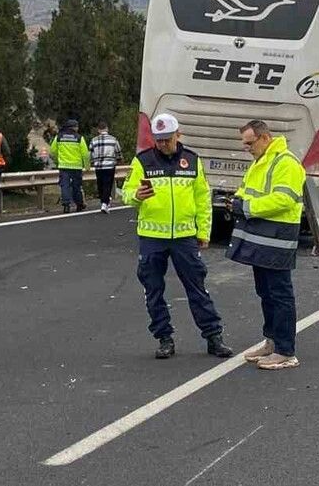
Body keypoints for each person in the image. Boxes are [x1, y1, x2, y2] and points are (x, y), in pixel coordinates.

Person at [122, 114, 233, 360]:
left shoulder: (192, 160)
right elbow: (127, 193)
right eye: (159, 140)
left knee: (197, 287)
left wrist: (203, 232)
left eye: (167, 139)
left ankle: (214, 337)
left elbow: (202, 199)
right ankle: (164, 338)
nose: (162, 144)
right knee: (153, 289)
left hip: (184, 237)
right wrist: (136, 195)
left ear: (178, 135)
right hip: (152, 236)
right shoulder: (143, 161)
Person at [229, 119, 305, 370]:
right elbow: (246, 190)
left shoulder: (286, 162)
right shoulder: (260, 162)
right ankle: (271, 341)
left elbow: (285, 199)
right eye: (244, 144)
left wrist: (247, 207)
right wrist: (236, 201)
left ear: (264, 138)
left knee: (280, 294)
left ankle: (285, 351)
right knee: (266, 292)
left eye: (250, 143)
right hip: (261, 237)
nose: (247, 148)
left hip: (278, 237)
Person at [49, 119, 90, 213]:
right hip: (76, 166)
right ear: (75, 128)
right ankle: (79, 204)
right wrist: (87, 166)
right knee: (76, 186)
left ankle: (66, 205)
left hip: (63, 166)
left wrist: (57, 161)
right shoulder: (79, 138)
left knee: (65, 186)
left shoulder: (59, 137)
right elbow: (85, 154)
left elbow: (52, 152)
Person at [90, 121, 123, 214]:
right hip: (109, 165)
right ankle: (105, 203)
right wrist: (119, 160)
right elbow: (118, 152)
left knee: (100, 184)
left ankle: (103, 201)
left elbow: (90, 153)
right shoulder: (113, 139)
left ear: (98, 130)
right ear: (107, 129)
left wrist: (92, 162)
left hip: (98, 166)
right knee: (107, 184)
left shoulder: (94, 140)